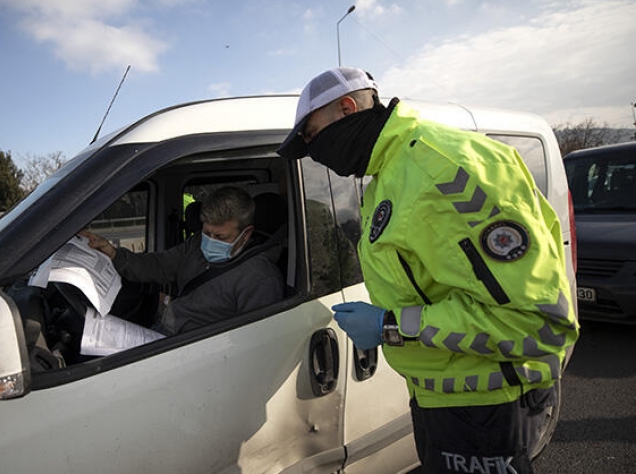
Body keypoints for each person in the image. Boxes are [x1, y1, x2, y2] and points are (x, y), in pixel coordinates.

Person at [278, 67, 579, 473]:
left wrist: (388, 325)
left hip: (489, 410)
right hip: (441, 401)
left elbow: (538, 322)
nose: (315, 153)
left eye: (312, 136)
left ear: (346, 109)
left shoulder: (444, 170)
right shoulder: (389, 174)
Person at [83, 186, 284, 336]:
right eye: (207, 232)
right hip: (165, 331)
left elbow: (252, 344)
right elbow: (160, 265)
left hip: (191, 352)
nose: (210, 241)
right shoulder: (196, 244)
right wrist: (114, 254)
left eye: (220, 237)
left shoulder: (260, 279)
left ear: (246, 234)